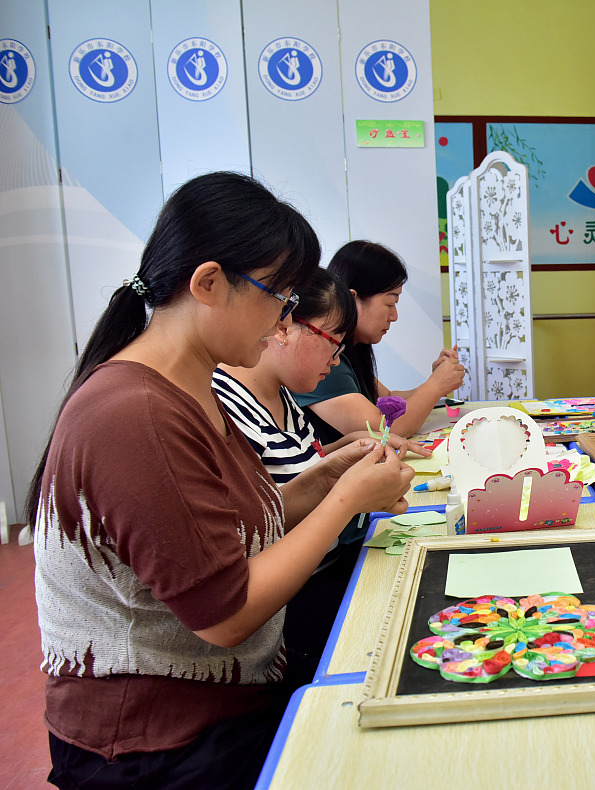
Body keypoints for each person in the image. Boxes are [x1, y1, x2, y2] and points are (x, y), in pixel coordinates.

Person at [30, 172, 414, 789]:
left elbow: (233, 527)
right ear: (208, 283)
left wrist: (323, 479)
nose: (285, 320)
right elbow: (225, 611)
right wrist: (344, 502)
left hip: (228, 709)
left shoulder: (198, 386)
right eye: (280, 298)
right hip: (158, 747)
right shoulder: (136, 414)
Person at [211, 268, 428, 691]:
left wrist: (341, 456)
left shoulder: (284, 396)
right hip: (285, 611)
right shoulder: (221, 403)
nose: (336, 359)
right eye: (333, 344)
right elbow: (255, 533)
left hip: (316, 578)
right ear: (285, 327)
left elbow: (291, 481)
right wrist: (347, 494)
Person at [293, 240, 465, 443]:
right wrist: (435, 386)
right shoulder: (324, 361)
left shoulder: (349, 352)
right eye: (390, 303)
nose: (394, 316)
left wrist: (437, 382)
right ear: (353, 299)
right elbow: (385, 431)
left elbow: (389, 398)